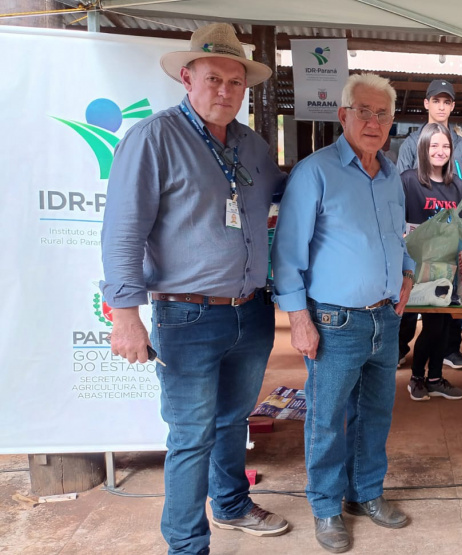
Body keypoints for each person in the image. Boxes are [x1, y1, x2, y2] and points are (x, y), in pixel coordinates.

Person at [100, 23, 289, 554]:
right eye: (213, 79)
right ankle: (186, 545)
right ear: (187, 77)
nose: (226, 91)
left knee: (233, 421)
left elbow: (285, 199)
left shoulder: (254, 146)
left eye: (236, 82)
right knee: (190, 436)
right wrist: (125, 314)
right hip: (187, 317)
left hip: (251, 313)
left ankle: (230, 504)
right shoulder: (153, 138)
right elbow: (122, 232)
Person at [271, 73, 414, 553]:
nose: (374, 122)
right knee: (328, 418)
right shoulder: (315, 172)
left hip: (384, 318)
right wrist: (298, 318)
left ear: (392, 122)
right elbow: (286, 253)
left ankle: (365, 494)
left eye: (383, 114)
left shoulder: (392, 174)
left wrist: (408, 274)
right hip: (334, 319)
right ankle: (327, 506)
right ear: (343, 115)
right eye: (364, 111)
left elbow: (397, 236)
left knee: (375, 413)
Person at [397, 79, 462, 370]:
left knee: (447, 306)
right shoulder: (410, 145)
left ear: (452, 106)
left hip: (447, 247)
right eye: (436, 101)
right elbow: (401, 190)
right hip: (416, 250)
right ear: (427, 103)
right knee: (410, 304)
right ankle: (399, 349)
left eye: (447, 102)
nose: (441, 107)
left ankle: (448, 353)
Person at [401, 122, 462, 401]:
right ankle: (417, 378)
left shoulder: (457, 186)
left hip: (446, 265)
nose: (440, 151)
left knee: (442, 324)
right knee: (427, 325)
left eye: (446, 146)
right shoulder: (407, 180)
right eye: (434, 145)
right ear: (423, 148)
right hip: (416, 267)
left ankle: (435, 378)